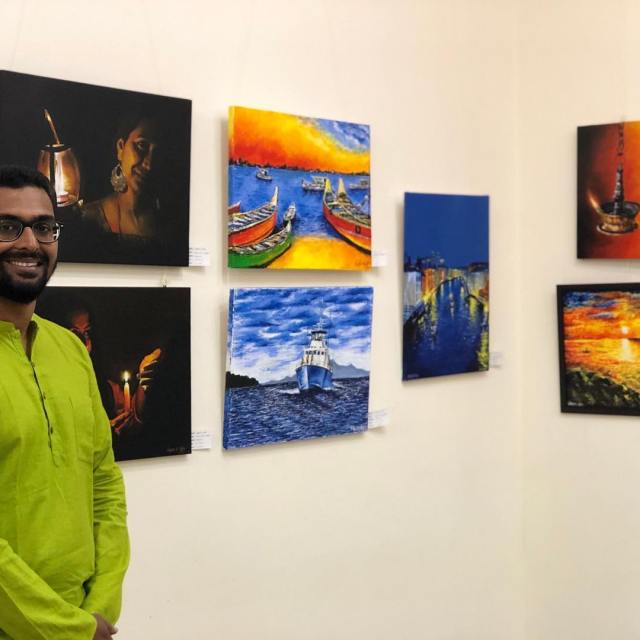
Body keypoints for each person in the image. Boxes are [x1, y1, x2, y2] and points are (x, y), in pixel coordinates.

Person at [0, 165, 129, 639]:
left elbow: (104, 484)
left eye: (43, 227)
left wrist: (101, 606)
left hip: (85, 619)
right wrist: (70, 629)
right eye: (7, 227)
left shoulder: (70, 349)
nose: (29, 243)